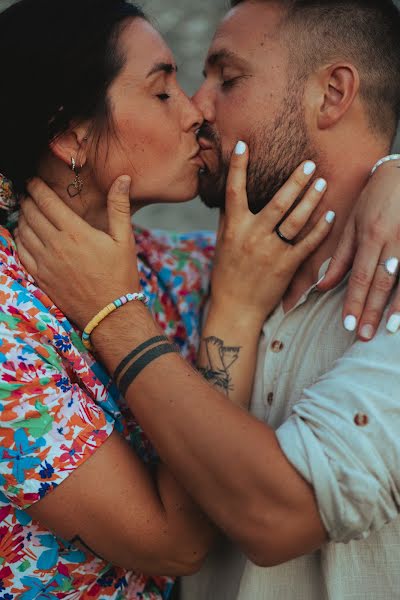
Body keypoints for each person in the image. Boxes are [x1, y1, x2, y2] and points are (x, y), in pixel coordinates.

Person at [16, 0, 400, 599]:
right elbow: (176, 542)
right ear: (72, 135)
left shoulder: (193, 269)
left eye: (229, 78)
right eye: (164, 90)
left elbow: (274, 515)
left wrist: (393, 173)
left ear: (333, 94)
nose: (197, 108)